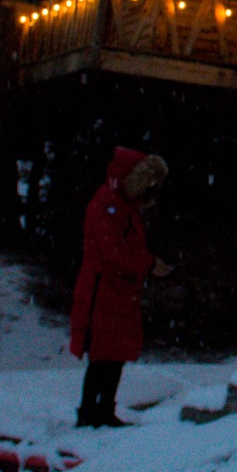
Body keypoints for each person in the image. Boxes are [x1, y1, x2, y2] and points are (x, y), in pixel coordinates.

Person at [69, 147, 173, 427]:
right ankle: (91, 412)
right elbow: (114, 248)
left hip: (118, 290)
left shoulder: (122, 204)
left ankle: (102, 410)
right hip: (104, 289)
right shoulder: (108, 204)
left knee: (114, 355)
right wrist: (149, 264)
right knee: (103, 356)